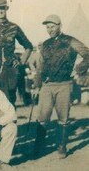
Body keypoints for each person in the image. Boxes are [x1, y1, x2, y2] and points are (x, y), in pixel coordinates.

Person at [33, 15, 89, 159]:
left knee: (63, 118)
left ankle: (62, 147)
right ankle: (39, 147)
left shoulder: (70, 41)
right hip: (47, 85)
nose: (50, 30)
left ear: (60, 25)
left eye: (53, 26)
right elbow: (39, 66)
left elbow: (87, 54)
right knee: (42, 117)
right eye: (48, 27)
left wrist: (79, 69)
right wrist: (36, 85)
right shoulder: (44, 44)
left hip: (64, 84)